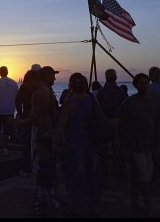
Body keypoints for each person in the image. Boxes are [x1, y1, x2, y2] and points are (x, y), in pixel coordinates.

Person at [11, 67, 60, 215]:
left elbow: (35, 118)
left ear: (32, 80)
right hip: (48, 131)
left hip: (41, 133)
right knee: (46, 166)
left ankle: (43, 198)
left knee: (40, 167)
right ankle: (47, 196)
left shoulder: (39, 93)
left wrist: (17, 123)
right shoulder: (47, 91)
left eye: (27, 85)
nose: (55, 79)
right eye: (53, 76)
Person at [52, 73, 102, 216]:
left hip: (74, 144)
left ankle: (79, 205)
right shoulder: (91, 99)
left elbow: (61, 124)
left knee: (75, 175)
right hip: (91, 143)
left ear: (71, 85)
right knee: (91, 173)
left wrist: (55, 140)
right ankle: (92, 202)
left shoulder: (70, 102)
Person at [119, 73, 160, 217]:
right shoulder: (129, 103)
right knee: (142, 177)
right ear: (136, 85)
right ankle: (147, 206)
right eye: (141, 83)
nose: (143, 85)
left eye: (146, 82)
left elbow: (159, 123)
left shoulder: (154, 102)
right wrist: (124, 144)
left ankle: (137, 204)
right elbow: (122, 124)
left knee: (146, 176)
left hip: (151, 144)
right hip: (136, 145)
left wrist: (159, 143)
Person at [96, 69, 128, 179]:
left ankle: (105, 171)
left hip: (106, 122)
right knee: (119, 147)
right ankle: (119, 170)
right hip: (118, 122)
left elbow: (98, 110)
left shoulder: (101, 92)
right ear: (116, 77)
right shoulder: (121, 92)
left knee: (104, 148)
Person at [0, 66, 19, 157]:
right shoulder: (14, 83)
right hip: (10, 110)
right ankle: (5, 148)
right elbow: (17, 97)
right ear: (7, 72)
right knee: (7, 131)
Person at [147, 66, 160, 182]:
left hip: (152, 122)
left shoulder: (148, 89)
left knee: (152, 147)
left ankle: (153, 172)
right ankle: (159, 172)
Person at [15, 70, 36, 176]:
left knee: (28, 143)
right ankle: (28, 167)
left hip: (29, 117)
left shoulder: (25, 87)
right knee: (29, 143)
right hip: (29, 117)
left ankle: (28, 167)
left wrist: (20, 114)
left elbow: (18, 102)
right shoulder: (38, 88)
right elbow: (18, 102)